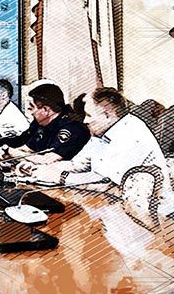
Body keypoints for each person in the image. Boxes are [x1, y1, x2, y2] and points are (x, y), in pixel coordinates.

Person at [21, 88, 173, 214]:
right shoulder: (100, 132)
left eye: (89, 115)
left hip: (153, 218)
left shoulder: (132, 134)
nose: (85, 121)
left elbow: (105, 183)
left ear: (108, 114)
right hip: (112, 206)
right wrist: (39, 169)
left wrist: (60, 176)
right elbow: (77, 164)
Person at [0, 83, 90, 164]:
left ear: (46, 110)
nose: (30, 112)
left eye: (31, 107)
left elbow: (48, 160)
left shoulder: (72, 129)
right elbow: (27, 148)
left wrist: (9, 151)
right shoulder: (40, 122)